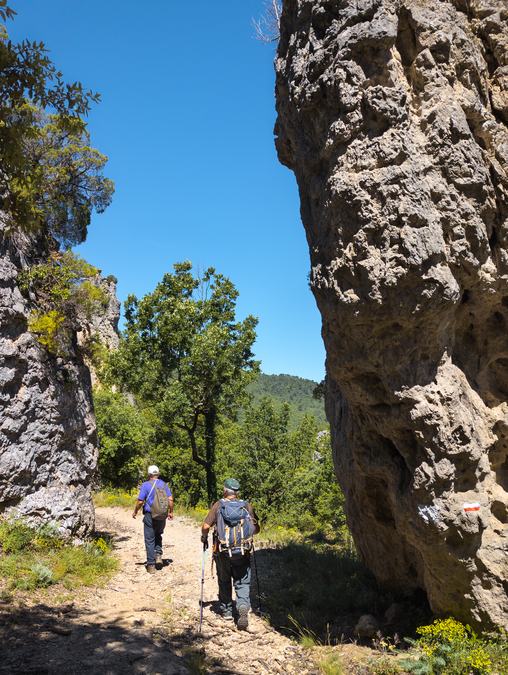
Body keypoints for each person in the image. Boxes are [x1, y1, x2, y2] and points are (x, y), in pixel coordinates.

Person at [201, 478, 260, 630]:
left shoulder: (218, 505)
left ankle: (227, 611)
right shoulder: (246, 506)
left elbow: (206, 525)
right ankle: (242, 605)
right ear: (237, 492)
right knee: (243, 582)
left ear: (225, 490)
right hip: (242, 552)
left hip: (222, 552)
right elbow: (255, 528)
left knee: (224, 580)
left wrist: (204, 537)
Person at [132, 465, 174, 573]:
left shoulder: (146, 485)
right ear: (158, 474)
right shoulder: (164, 485)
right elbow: (170, 499)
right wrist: (171, 512)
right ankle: (158, 555)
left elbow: (141, 501)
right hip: (161, 515)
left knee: (149, 539)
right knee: (158, 535)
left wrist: (135, 511)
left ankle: (151, 565)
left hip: (150, 515)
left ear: (149, 474)